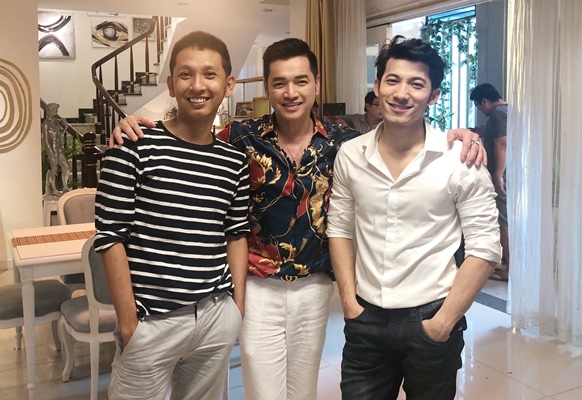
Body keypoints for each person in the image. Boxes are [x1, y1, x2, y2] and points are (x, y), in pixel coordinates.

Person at [110, 37, 486, 400]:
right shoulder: (240, 137)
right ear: (267, 88)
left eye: (301, 81)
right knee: (263, 389)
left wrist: (461, 136)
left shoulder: (343, 143)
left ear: (316, 85)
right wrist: (135, 125)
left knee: (303, 388)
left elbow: (395, 141)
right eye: (279, 83)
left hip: (314, 285)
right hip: (257, 285)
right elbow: (193, 136)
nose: (291, 92)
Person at [326, 36, 501, 400]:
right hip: (365, 319)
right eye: (392, 80)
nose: (401, 93)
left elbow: (485, 248)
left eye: (416, 84)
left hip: (432, 317)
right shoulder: (350, 154)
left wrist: (443, 322)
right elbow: (339, 228)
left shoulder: (460, 160)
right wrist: (348, 301)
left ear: (433, 95)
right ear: (377, 87)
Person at [94, 31, 250, 400]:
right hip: (151, 323)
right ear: (170, 84)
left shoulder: (234, 161)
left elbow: (236, 233)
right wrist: (129, 324)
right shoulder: (133, 145)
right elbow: (109, 236)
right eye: (185, 74)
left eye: (209, 74)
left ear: (228, 85)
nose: (197, 86)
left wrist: (236, 309)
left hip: (214, 316)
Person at [470, 83, 510, 281]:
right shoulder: (509, 110)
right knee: (506, 219)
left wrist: (498, 175)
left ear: (484, 101)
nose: (480, 111)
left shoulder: (497, 114)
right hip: (514, 173)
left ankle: (509, 268)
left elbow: (502, 144)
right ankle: (509, 264)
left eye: (478, 106)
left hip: (504, 174)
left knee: (503, 222)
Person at [42, 102, 70, 196]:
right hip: (52, 150)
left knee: (66, 167)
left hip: (59, 149)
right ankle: (53, 189)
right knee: (54, 170)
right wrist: (51, 154)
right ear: (51, 110)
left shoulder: (56, 121)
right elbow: (46, 140)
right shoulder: (46, 124)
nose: (57, 111)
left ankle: (65, 187)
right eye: (55, 110)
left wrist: (65, 126)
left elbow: (60, 133)